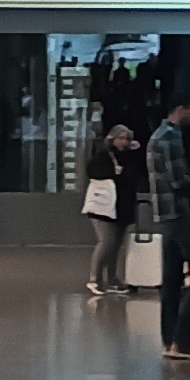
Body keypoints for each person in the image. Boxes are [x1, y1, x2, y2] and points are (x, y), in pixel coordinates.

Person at [147, 95, 190, 362]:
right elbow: (178, 180)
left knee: (171, 277)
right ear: (180, 109)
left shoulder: (156, 137)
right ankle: (184, 340)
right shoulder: (170, 137)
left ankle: (170, 338)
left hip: (165, 216)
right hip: (180, 214)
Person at [81, 120, 139, 300]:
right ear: (112, 139)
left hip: (121, 207)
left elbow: (134, 176)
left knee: (115, 245)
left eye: (127, 138)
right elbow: (92, 171)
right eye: (121, 138)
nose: (124, 141)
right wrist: (113, 172)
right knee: (106, 242)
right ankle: (95, 278)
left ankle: (112, 279)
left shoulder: (130, 157)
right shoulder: (103, 156)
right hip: (102, 207)